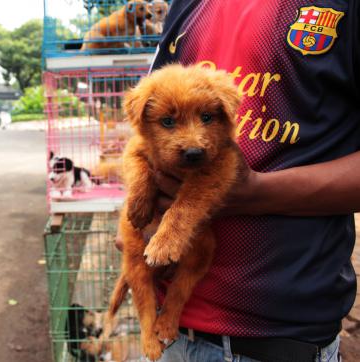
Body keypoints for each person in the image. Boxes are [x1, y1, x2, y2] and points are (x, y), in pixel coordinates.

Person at [116, 1, 360, 361]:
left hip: (278, 339)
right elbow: (146, 131)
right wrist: (139, 207)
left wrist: (256, 194)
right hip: (175, 335)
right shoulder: (186, 4)